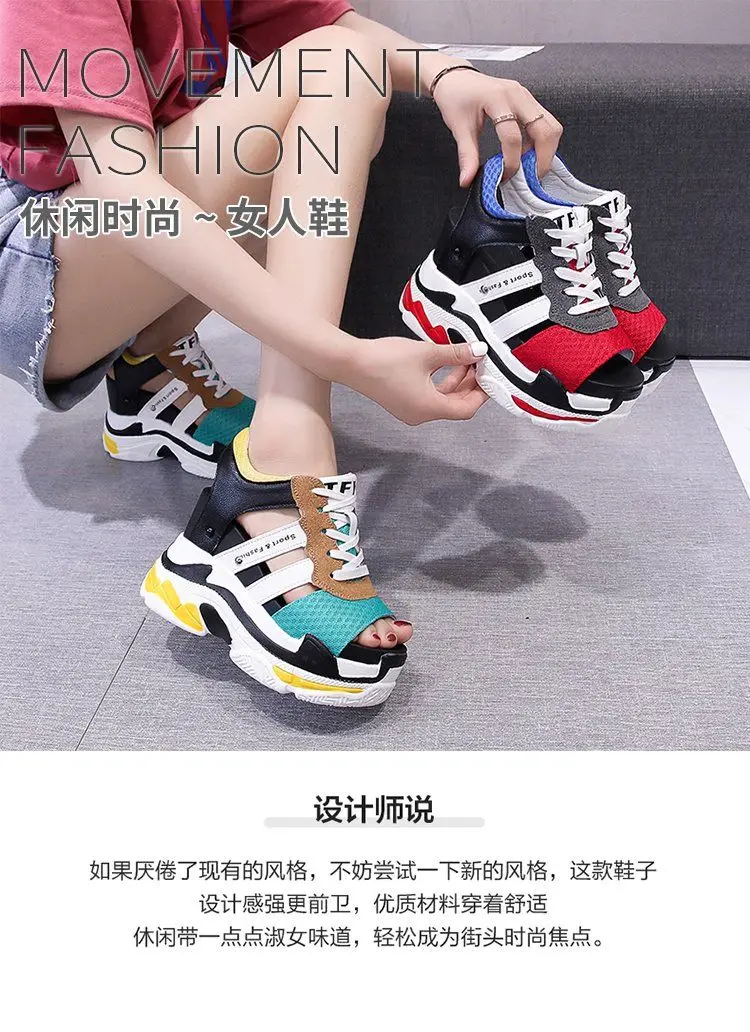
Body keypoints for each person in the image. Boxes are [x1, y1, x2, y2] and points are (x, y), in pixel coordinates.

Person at [0, 1, 563, 705]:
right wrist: (344, 358)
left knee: (344, 69)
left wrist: (447, 74)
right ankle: (272, 484)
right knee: (332, 69)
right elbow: (125, 193)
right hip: (33, 256)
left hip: (103, 230)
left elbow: (332, 26)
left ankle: (152, 371)